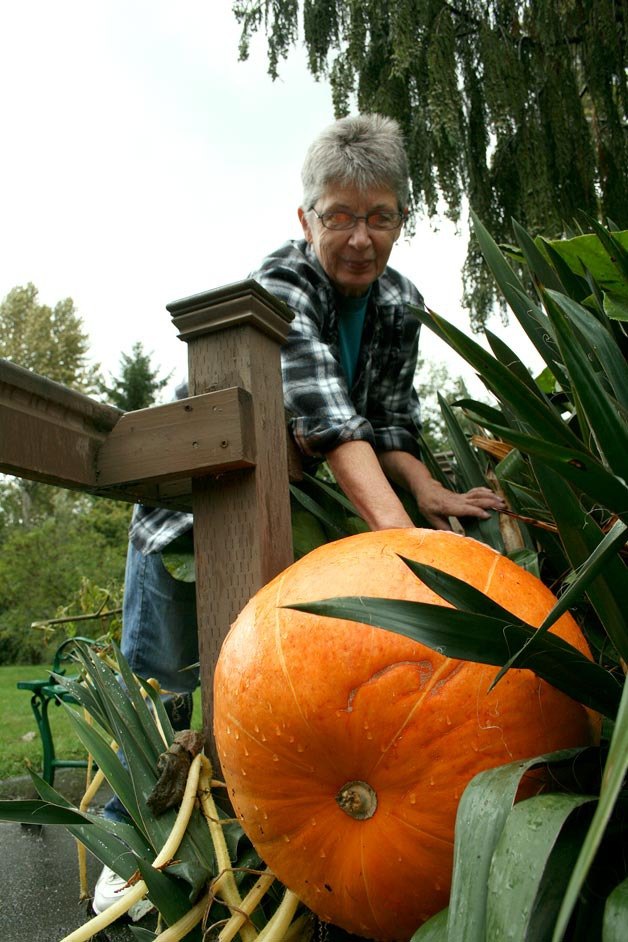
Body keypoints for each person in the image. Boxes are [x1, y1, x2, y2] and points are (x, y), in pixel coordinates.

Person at [93, 113, 504, 914]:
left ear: (400, 219)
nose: (360, 237)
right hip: (189, 521)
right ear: (305, 217)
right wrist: (407, 551)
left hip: (282, 518)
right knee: (164, 693)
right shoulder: (281, 285)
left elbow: (387, 422)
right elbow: (329, 419)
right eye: (339, 216)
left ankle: (241, 857)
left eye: (378, 216)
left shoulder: (399, 300)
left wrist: (430, 495)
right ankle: (129, 857)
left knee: (255, 691)